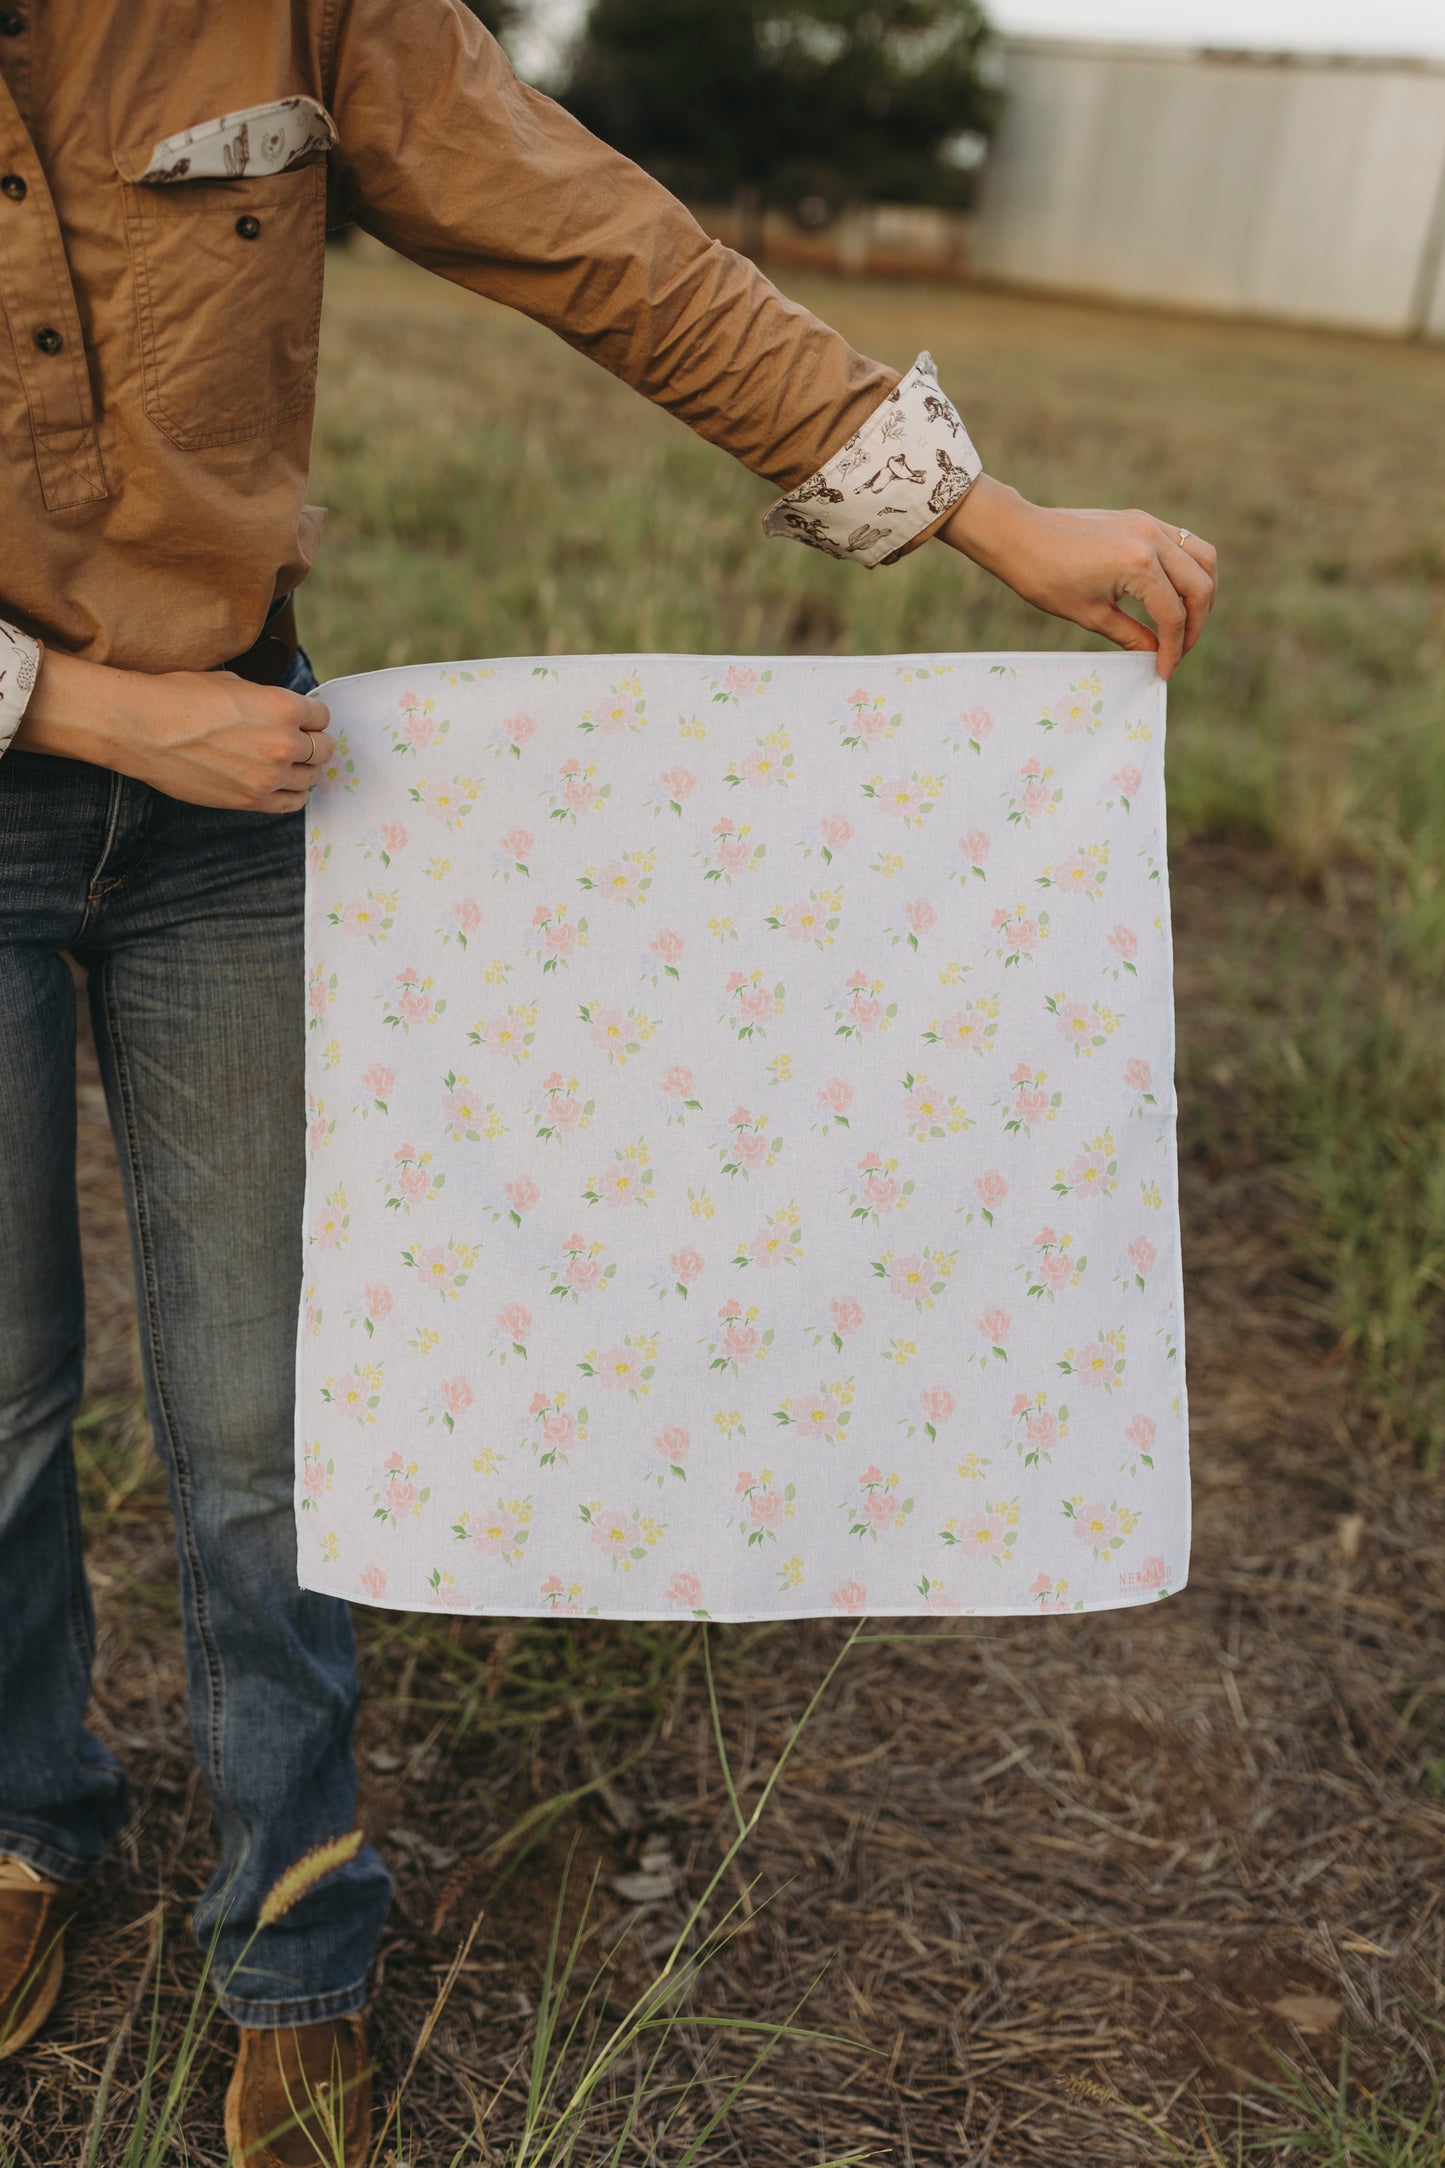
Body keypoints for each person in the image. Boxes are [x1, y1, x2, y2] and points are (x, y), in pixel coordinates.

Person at [0, 3, 1217, 2160]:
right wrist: (82, 709)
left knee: (273, 1411)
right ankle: (24, 1835)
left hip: (242, 796)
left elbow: (600, 240)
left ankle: (296, 1939)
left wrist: (985, 515)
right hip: (62, 748)